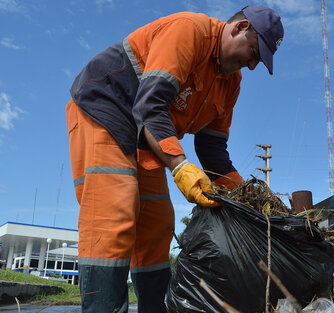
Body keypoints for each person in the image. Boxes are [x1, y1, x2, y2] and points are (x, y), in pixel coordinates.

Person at [66, 5, 283, 313]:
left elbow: (213, 154)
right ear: (240, 27)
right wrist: (180, 167)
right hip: (106, 108)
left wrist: (251, 199)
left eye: (258, 61)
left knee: (157, 222)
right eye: (253, 52)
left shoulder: (230, 82)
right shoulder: (190, 31)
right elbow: (150, 106)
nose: (251, 65)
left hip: (147, 135)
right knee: (115, 208)